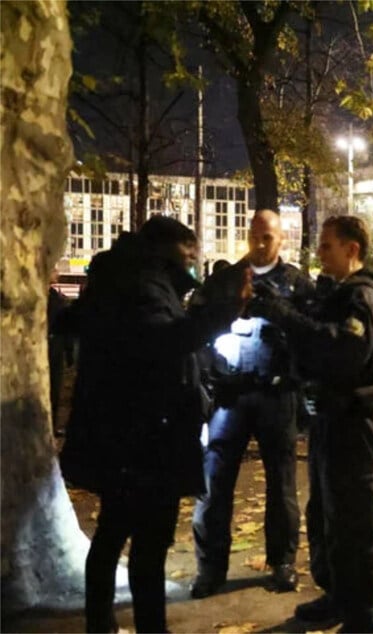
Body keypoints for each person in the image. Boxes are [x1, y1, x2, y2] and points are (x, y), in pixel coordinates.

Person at [59, 216, 248, 633]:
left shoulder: (123, 277)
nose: (192, 267)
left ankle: (101, 622)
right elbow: (165, 342)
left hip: (126, 432)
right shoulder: (140, 286)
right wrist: (223, 312)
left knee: (112, 533)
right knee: (145, 543)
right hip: (143, 437)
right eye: (187, 257)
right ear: (166, 251)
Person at [248, 215, 373, 632]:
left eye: (327, 246)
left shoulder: (363, 297)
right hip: (329, 416)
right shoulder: (339, 293)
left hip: (353, 420)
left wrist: (287, 320)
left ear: (352, 249)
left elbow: (345, 352)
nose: (320, 253)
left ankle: (363, 614)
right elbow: (316, 341)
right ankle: (338, 596)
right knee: (325, 513)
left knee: (354, 518)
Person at [190, 209, 314, 598]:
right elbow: (195, 328)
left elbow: (312, 336)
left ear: (282, 240)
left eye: (269, 238)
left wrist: (284, 321)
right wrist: (210, 374)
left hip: (277, 394)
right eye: (256, 236)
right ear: (248, 236)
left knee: (282, 484)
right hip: (229, 395)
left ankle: (282, 562)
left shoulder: (297, 283)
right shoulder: (225, 279)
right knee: (213, 484)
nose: (261, 245)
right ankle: (210, 569)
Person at [47, 271, 73, 436]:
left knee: (55, 388)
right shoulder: (53, 298)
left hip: (56, 347)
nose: (57, 272)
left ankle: (52, 425)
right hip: (50, 345)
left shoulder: (56, 297)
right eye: (54, 269)